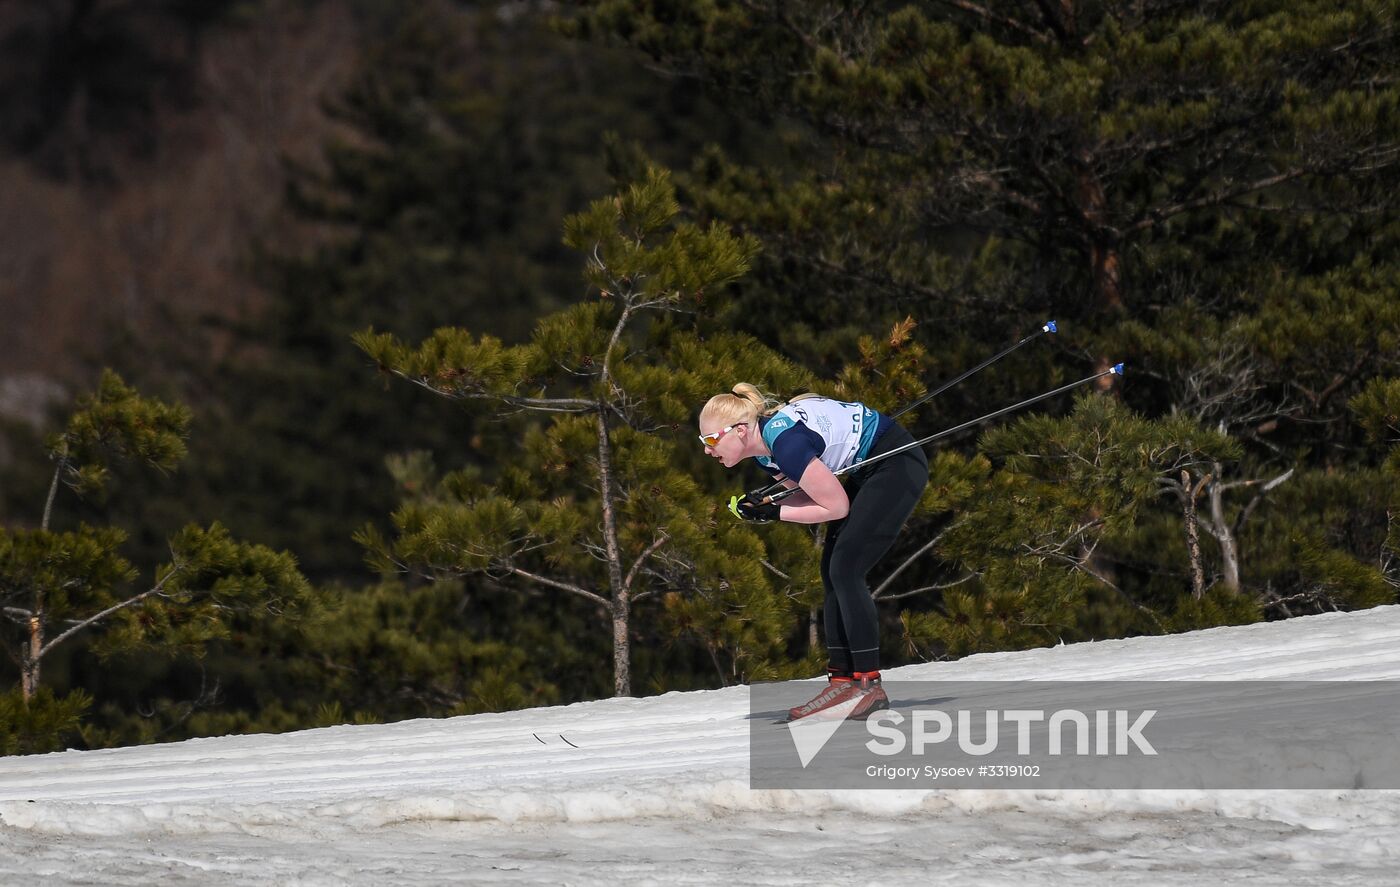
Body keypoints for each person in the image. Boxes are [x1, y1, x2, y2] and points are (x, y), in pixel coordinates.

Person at [698, 383, 928, 721]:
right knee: (832, 571)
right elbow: (807, 491)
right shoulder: (766, 452)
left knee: (846, 569)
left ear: (741, 430)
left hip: (896, 463)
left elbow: (835, 506)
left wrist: (774, 512)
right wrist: (766, 502)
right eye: (703, 443)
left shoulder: (785, 445)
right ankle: (843, 681)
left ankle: (867, 685)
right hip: (869, 467)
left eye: (711, 439)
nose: (707, 450)